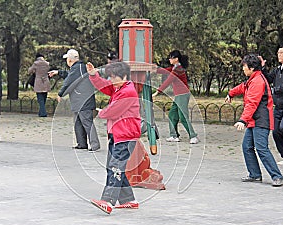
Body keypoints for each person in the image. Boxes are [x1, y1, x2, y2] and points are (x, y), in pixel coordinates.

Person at [86, 61, 141, 214]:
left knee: (115, 167)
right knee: (115, 166)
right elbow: (105, 86)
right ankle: (129, 200)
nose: (111, 80)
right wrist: (94, 76)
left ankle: (108, 201)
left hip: (125, 135)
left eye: (114, 77)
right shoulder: (119, 87)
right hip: (118, 134)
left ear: (123, 76)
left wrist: (101, 112)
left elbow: (113, 111)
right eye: (110, 77)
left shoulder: (127, 91)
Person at [225, 54, 283, 187]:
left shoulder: (258, 81)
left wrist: (242, 120)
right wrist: (231, 93)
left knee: (261, 148)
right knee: (247, 147)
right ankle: (255, 174)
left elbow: (252, 103)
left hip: (261, 120)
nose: (243, 69)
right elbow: (242, 87)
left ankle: (277, 176)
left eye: (244, 66)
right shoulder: (253, 78)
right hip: (254, 120)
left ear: (251, 68)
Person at [48, 49, 100, 152]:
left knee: (86, 122)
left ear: (70, 60)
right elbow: (69, 75)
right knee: (78, 122)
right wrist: (58, 72)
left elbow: (69, 81)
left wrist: (60, 94)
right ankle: (81, 143)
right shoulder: (78, 68)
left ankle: (94, 144)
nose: (66, 60)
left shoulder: (78, 68)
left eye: (67, 58)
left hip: (83, 101)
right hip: (79, 100)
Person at [152, 50, 199, 144]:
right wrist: (155, 69)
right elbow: (165, 71)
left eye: (171, 58)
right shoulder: (175, 67)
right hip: (178, 95)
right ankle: (174, 136)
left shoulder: (178, 69)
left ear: (176, 59)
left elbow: (168, 80)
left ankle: (193, 136)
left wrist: (157, 92)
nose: (169, 59)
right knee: (172, 114)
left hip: (182, 94)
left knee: (183, 116)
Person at [28, 53, 51, 117]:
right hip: (46, 81)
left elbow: (29, 71)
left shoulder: (36, 63)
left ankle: (43, 113)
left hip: (38, 82)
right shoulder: (47, 63)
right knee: (44, 98)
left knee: (40, 98)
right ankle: (41, 112)